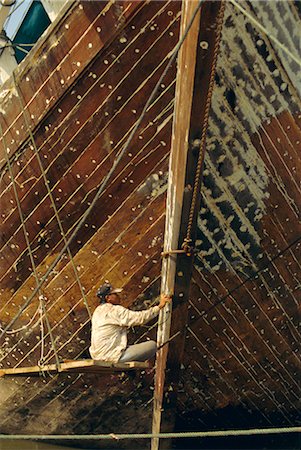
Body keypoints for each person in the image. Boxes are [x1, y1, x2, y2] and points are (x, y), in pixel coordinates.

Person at [89, 283, 172, 363]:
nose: (118, 296)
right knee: (152, 346)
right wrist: (160, 306)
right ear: (108, 298)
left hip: (97, 356)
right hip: (111, 356)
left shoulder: (97, 311)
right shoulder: (114, 310)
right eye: (115, 294)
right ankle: (124, 367)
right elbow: (140, 318)